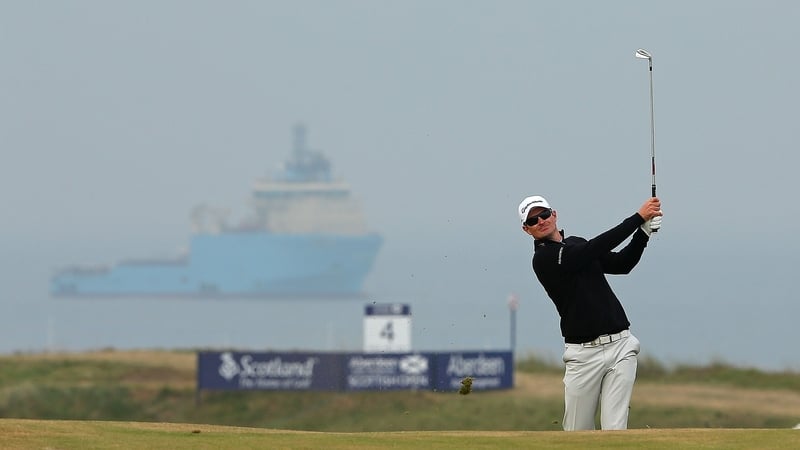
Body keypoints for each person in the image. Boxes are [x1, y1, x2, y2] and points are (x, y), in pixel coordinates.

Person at [517, 194, 662, 431]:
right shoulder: (543, 258)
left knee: (615, 430)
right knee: (577, 433)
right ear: (526, 230)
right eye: (533, 221)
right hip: (582, 356)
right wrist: (638, 218)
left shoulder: (576, 243)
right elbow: (593, 248)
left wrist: (643, 233)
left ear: (554, 215)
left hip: (621, 347)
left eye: (543, 215)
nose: (540, 221)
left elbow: (622, 264)